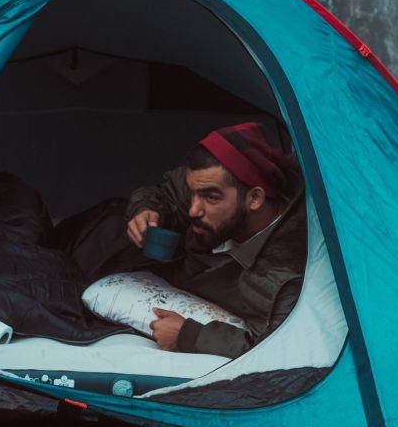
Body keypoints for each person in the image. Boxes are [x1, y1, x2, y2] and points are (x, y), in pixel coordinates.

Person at [126, 121, 306, 358]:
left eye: (211, 198)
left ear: (254, 198)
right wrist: (146, 208)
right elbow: (170, 190)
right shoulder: (209, 184)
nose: (194, 210)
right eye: (193, 193)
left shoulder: (283, 274)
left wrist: (189, 337)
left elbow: (278, 348)